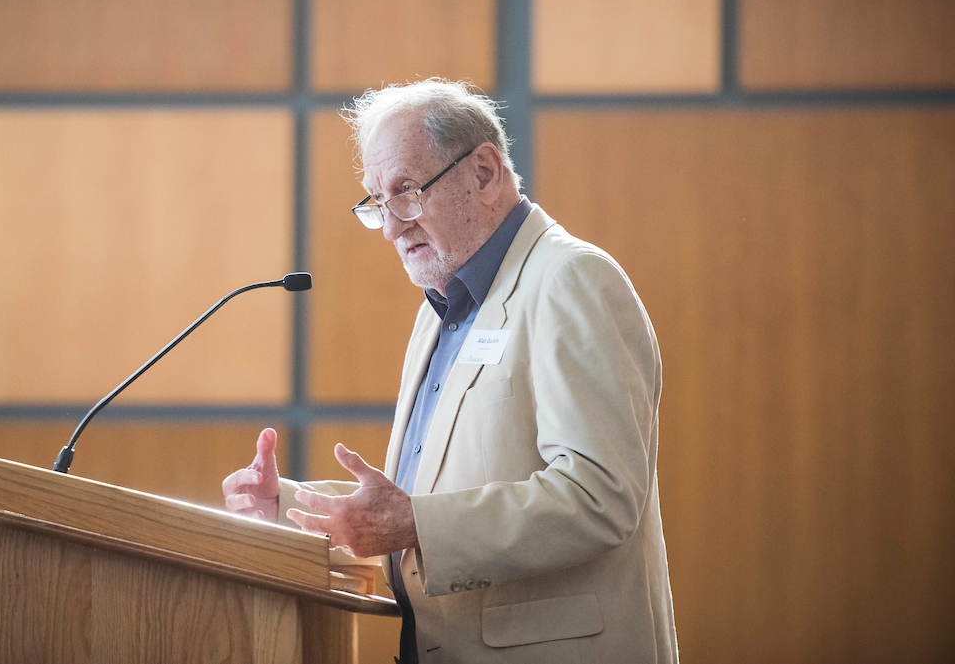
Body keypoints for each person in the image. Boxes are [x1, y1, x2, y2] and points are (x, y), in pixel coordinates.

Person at [222, 79, 677, 663]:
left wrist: (415, 524)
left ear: (483, 173)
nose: (390, 226)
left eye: (407, 191)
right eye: (378, 202)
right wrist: (290, 506)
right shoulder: (440, 310)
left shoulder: (570, 279)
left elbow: (600, 495)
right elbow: (429, 496)